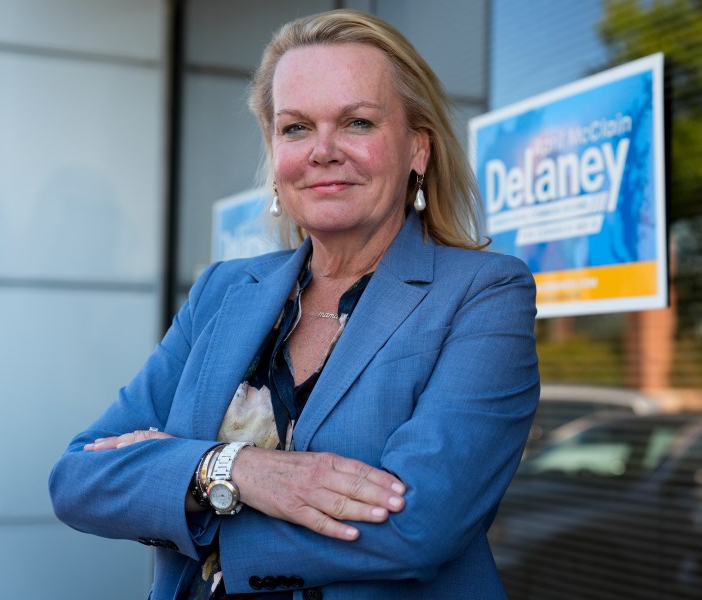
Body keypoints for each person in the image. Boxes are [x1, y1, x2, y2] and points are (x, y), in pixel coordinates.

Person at [49, 9, 539, 600]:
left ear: (418, 149)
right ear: (274, 155)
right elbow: (79, 478)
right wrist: (234, 469)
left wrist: (175, 484)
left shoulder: (484, 292)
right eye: (296, 128)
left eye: (357, 122)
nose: (323, 151)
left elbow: (419, 525)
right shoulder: (222, 290)